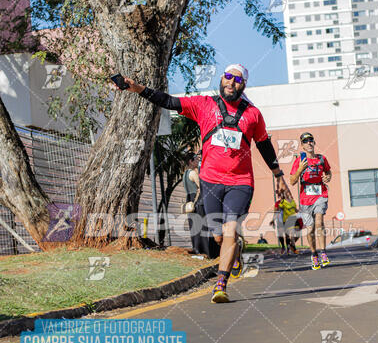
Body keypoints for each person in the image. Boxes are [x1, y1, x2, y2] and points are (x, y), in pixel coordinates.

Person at [118, 63, 291, 303]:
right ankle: (236, 252)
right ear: (222, 79)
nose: (231, 82)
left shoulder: (253, 114)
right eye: (228, 77)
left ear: (244, 85)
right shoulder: (204, 105)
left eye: (237, 79)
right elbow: (169, 101)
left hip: (240, 182)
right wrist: (137, 89)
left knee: (230, 229)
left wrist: (278, 175)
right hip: (210, 180)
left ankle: (221, 282)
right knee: (219, 236)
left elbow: (263, 144)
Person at [289, 132, 332, 270]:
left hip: (320, 193)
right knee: (310, 228)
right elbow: (292, 181)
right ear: (302, 145)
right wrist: (300, 169)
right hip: (305, 198)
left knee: (319, 222)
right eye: (306, 141)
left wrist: (327, 177)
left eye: (311, 140)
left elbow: (328, 172)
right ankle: (314, 254)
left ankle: (323, 252)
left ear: (314, 142)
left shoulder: (322, 159)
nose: (309, 143)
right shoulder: (299, 161)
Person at [182, 151, 219, 258]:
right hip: (197, 201)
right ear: (190, 161)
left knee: (194, 227)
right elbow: (201, 187)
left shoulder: (184, 174)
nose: (198, 161)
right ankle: (206, 251)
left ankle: (197, 249)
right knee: (202, 226)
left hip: (189, 200)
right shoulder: (193, 173)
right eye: (196, 159)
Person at [269, 188, 286, 254]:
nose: (282, 196)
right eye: (280, 195)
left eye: (283, 194)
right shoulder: (277, 203)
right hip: (280, 220)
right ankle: (283, 247)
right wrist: (273, 220)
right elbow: (275, 212)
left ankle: (289, 246)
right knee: (280, 234)